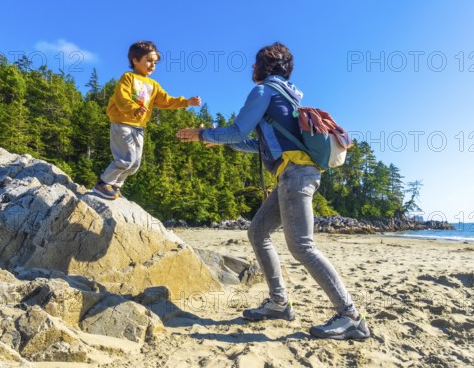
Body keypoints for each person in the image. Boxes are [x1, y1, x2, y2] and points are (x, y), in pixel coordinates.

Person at [176, 42, 370, 340]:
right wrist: (217, 139)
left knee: (302, 246)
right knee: (257, 232)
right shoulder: (286, 96)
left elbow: (238, 131)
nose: (251, 69)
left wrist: (203, 133)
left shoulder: (264, 91)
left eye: (255, 64)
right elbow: (256, 144)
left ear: (265, 67)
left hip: (295, 176)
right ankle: (279, 303)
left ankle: (351, 316)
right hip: (291, 175)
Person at [93, 41, 201, 199]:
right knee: (126, 158)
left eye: (155, 62)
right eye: (149, 60)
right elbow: (121, 98)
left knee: (135, 164)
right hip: (122, 123)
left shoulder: (153, 85)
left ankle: (115, 186)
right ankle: (103, 183)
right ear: (135, 60)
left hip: (139, 127)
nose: (152, 65)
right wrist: (134, 108)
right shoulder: (128, 77)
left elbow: (167, 100)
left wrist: (186, 102)